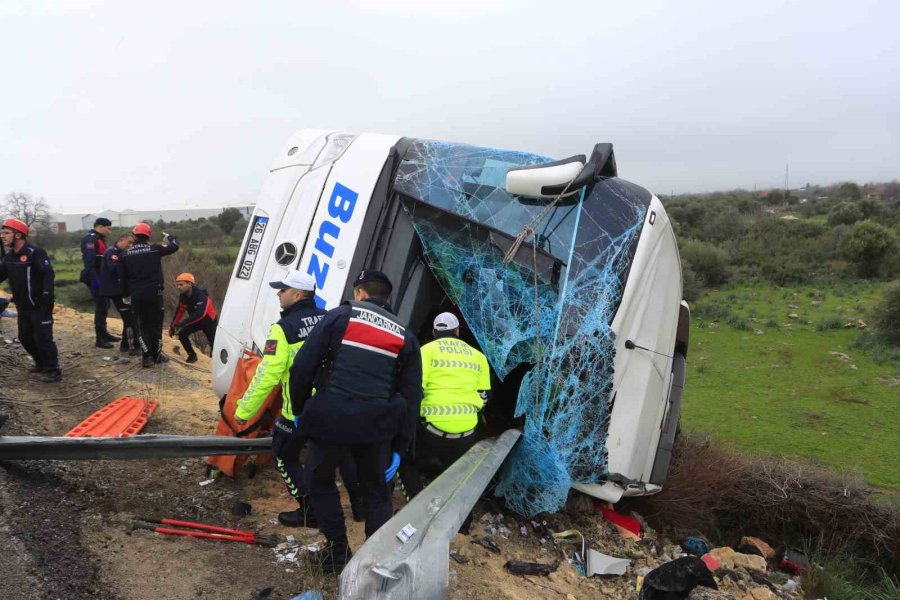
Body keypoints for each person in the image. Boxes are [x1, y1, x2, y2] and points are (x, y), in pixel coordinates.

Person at [289, 269, 422, 574]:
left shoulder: (340, 317)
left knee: (320, 481)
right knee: (377, 493)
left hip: (330, 421)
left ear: (360, 293)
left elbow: (303, 367)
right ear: (386, 298)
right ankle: (373, 564)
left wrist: (300, 409)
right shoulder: (406, 335)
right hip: (376, 429)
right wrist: (401, 446)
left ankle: (337, 552)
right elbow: (411, 397)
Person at [233, 271, 362, 528]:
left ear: (297, 294)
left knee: (284, 454)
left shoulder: (282, 329)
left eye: (283, 290)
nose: (279, 294)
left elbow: (267, 375)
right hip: (335, 403)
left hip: (300, 410)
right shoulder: (330, 318)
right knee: (343, 452)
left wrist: (244, 410)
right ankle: (360, 507)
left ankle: (310, 510)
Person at [396, 312, 491, 534]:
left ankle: (418, 513)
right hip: (466, 430)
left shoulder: (426, 351)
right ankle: (463, 526)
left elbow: (414, 392)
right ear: (458, 331)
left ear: (434, 332)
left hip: (432, 429)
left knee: (405, 462)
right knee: (459, 478)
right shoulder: (478, 357)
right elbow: (484, 396)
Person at [0, 218, 62, 382]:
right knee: (24, 337)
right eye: (2, 233)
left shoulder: (35, 252)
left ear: (18, 235)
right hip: (23, 306)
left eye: (6, 233)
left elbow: (48, 274)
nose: (2, 236)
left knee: (43, 338)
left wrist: (47, 296)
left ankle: (53, 370)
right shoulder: (9, 257)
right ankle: (41, 362)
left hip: (39, 304)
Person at [121, 223, 179, 367]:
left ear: (134, 236)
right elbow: (174, 246)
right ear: (149, 236)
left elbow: (123, 278)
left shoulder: (125, 254)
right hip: (154, 294)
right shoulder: (154, 249)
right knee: (156, 326)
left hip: (136, 296)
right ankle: (157, 356)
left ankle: (147, 358)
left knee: (142, 326)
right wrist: (171, 238)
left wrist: (125, 295)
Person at [80, 217, 119, 348]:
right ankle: (100, 339)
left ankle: (105, 334)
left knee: (105, 305)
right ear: (100, 227)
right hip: (95, 278)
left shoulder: (99, 239)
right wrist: (96, 281)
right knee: (101, 306)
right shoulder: (90, 239)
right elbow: (89, 263)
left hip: (102, 278)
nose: (109, 231)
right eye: (108, 228)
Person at [99, 233, 139, 353]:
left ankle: (125, 345)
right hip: (115, 291)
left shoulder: (121, 252)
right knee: (130, 320)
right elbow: (114, 268)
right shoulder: (112, 252)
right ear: (121, 240)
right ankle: (132, 346)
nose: (130, 246)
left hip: (120, 290)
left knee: (130, 318)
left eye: (132, 243)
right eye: (129, 243)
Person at [168, 273, 218, 363]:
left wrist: (183, 323)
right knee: (182, 334)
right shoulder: (183, 297)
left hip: (209, 320)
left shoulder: (201, 295)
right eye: (178, 285)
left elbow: (201, 314)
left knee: (214, 343)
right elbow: (180, 311)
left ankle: (215, 361)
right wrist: (173, 326)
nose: (178, 287)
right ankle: (192, 355)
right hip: (195, 320)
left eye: (181, 284)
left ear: (190, 284)